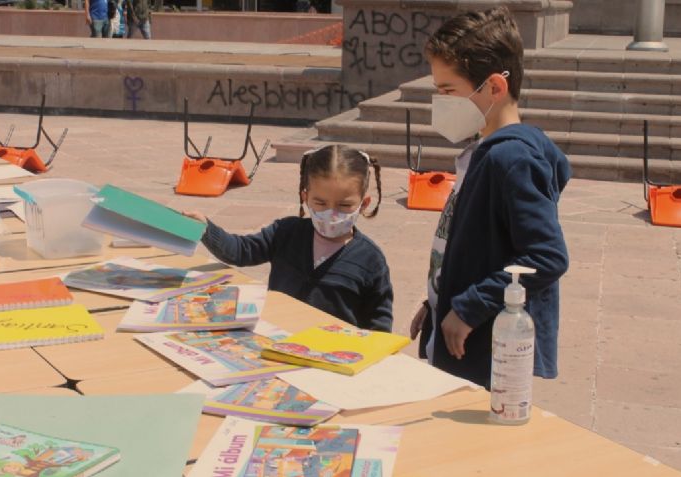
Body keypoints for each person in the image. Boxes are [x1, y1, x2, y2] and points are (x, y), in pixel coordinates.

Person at [409, 7, 571, 388]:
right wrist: (435, 301)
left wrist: (467, 307)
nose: (441, 101)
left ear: (495, 88)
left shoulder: (510, 159)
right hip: (459, 328)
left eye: (448, 90)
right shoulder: (486, 150)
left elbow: (546, 256)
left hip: (485, 348)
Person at [186, 145, 393, 332]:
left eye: (344, 206)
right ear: (305, 197)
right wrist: (206, 228)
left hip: (331, 359)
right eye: (320, 203)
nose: (331, 213)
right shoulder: (286, 232)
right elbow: (240, 251)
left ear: (363, 204)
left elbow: (379, 325)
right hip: (276, 344)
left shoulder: (370, 260)